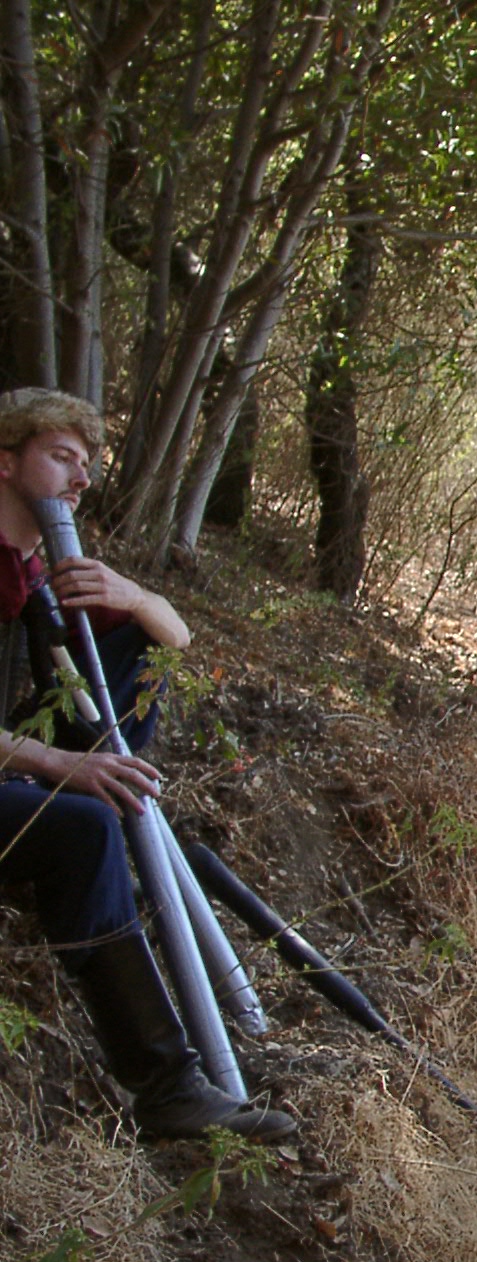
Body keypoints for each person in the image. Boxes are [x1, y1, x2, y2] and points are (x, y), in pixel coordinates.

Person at [0, 386, 293, 1141]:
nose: (81, 478)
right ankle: (167, 1088)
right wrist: (57, 764)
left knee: (140, 641)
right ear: (6, 462)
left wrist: (133, 595)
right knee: (83, 829)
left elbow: (176, 639)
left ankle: (110, 792)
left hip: (16, 764)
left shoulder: (34, 570)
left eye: (87, 463)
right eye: (61, 457)